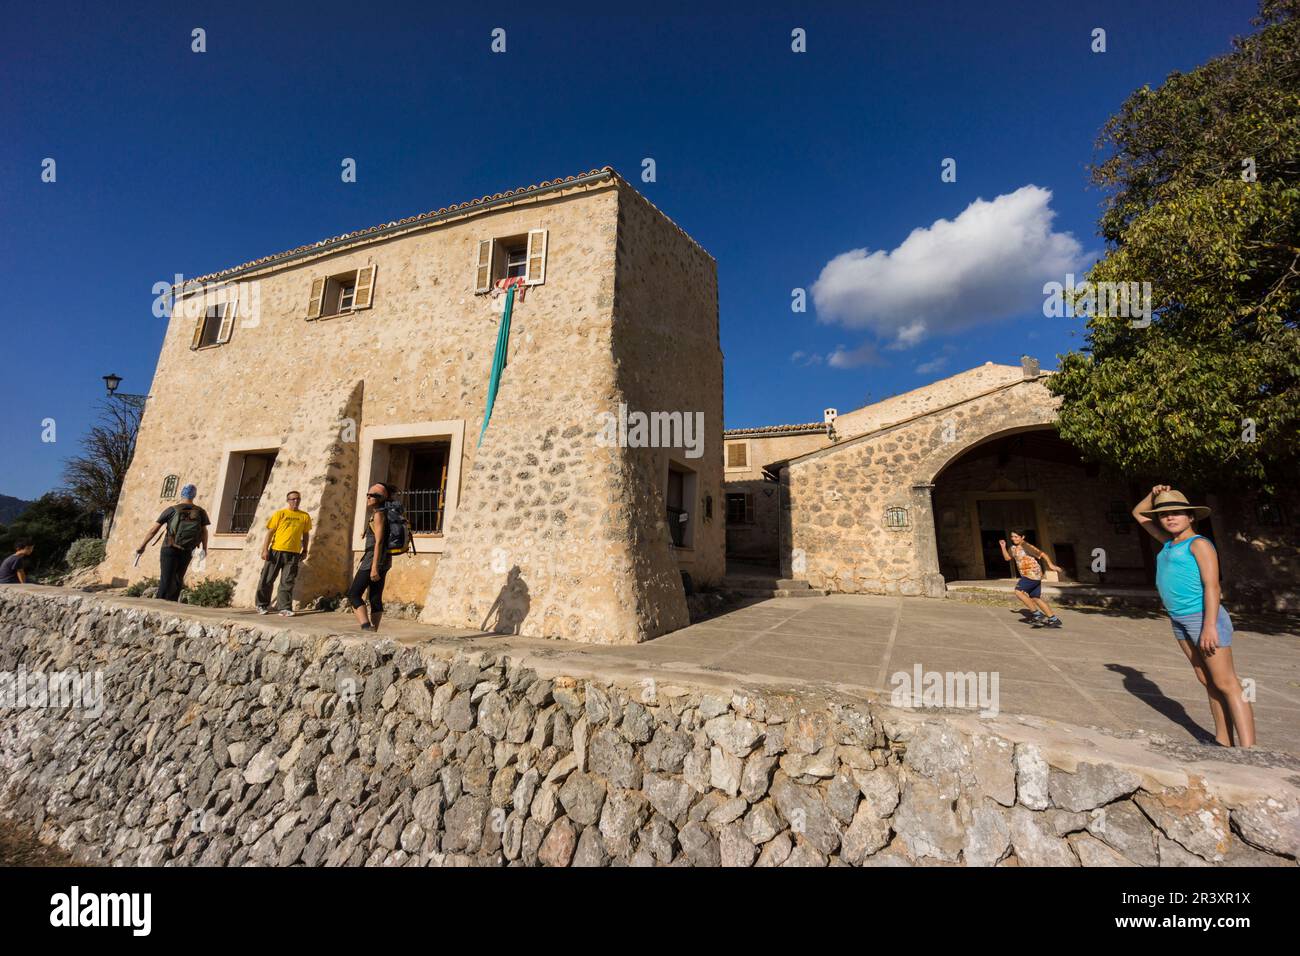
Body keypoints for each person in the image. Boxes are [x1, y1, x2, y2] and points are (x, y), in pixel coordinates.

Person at [1133, 485, 1255, 747]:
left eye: (1177, 512)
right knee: (1207, 680)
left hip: (1203, 617)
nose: (1170, 518)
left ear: (1191, 517)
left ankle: (1250, 750)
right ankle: (1223, 741)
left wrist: (1209, 627)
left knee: (1227, 682)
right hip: (1179, 619)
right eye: (1165, 514)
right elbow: (1138, 513)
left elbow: (1212, 586)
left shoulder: (1198, 544)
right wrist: (1153, 494)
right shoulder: (1168, 543)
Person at [136, 484, 209, 601]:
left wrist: (142, 545)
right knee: (178, 579)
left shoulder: (172, 510)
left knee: (166, 579)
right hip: (187, 549)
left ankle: (160, 606)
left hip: (169, 548)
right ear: (194, 495)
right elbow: (204, 532)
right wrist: (204, 549)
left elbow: (153, 530)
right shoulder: (200, 512)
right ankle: (173, 603)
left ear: (182, 494)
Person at [256, 491, 312, 616]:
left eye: (298, 499)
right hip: (276, 551)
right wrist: (265, 549)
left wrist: (305, 550)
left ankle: (284, 608)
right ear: (288, 501)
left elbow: (306, 534)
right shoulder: (280, 514)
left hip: (293, 553)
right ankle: (261, 605)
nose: (295, 501)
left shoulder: (304, 516)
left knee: (288, 581)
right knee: (267, 579)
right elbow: (270, 532)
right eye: (292, 499)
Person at [348, 483, 394, 632]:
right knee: (374, 597)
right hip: (384, 560)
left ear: (381, 498)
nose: (368, 497)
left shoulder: (379, 514)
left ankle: (366, 627)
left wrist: (374, 567)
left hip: (373, 560)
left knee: (354, 594)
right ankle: (374, 631)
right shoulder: (383, 513)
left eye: (373, 495)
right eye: (368, 494)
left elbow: (379, 541)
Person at [999, 531, 1064, 628]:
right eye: (1012, 537)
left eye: (1016, 537)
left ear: (1023, 537)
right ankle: (1053, 619)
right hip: (1029, 575)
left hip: (1032, 574)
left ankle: (1037, 614)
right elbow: (1007, 558)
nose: (1014, 538)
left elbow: (1043, 554)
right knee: (1035, 598)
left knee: (1018, 591)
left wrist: (1051, 565)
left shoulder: (1027, 546)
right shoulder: (1013, 548)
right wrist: (1003, 547)